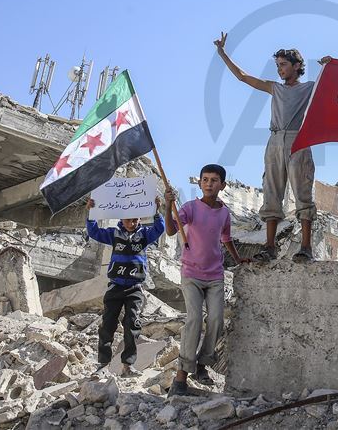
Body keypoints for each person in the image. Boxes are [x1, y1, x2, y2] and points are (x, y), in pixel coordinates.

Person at [214, 32, 329, 263]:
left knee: (302, 193)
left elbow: (331, 86)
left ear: (297, 66)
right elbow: (243, 77)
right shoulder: (274, 88)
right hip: (275, 140)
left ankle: (306, 247)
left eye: (284, 64)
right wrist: (222, 53)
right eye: (277, 65)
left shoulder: (309, 88)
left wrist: (328, 66)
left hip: (298, 139)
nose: (280, 69)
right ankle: (269, 247)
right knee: (271, 192)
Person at [165, 164, 249, 396]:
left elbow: (226, 238)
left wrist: (238, 259)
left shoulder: (224, 213)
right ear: (200, 183)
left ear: (223, 185)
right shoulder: (190, 208)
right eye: (205, 180)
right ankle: (181, 376)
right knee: (193, 320)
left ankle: (202, 364)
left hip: (215, 276)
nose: (209, 183)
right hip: (191, 274)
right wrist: (167, 206)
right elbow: (171, 230)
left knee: (216, 320)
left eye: (214, 180)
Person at [86, 196, 165, 376]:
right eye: (128, 219)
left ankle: (127, 365)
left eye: (135, 220)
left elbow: (159, 228)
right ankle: (103, 365)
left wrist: (156, 211)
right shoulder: (114, 234)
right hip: (115, 287)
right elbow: (94, 232)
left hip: (135, 289)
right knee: (108, 325)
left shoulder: (144, 235)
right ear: (121, 219)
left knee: (132, 324)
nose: (132, 223)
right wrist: (91, 213)